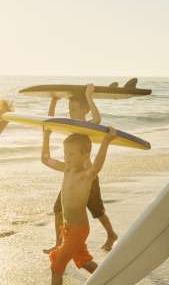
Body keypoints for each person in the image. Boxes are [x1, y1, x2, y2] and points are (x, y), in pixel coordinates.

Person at [40, 126, 117, 285]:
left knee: (56, 266)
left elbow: (97, 165)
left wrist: (106, 141)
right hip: (68, 229)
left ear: (85, 155)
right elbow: (45, 159)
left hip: (78, 230)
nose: (67, 157)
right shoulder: (66, 169)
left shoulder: (86, 175)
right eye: (66, 153)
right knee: (84, 262)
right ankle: (108, 282)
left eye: (72, 154)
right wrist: (46, 135)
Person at [43, 84, 119, 253]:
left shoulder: (87, 126)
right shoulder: (72, 127)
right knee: (58, 209)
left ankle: (111, 234)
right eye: (70, 109)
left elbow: (98, 119)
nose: (71, 112)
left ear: (84, 110)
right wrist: (54, 102)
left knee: (97, 210)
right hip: (72, 175)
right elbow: (50, 124)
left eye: (75, 109)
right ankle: (59, 243)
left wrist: (89, 96)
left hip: (87, 177)